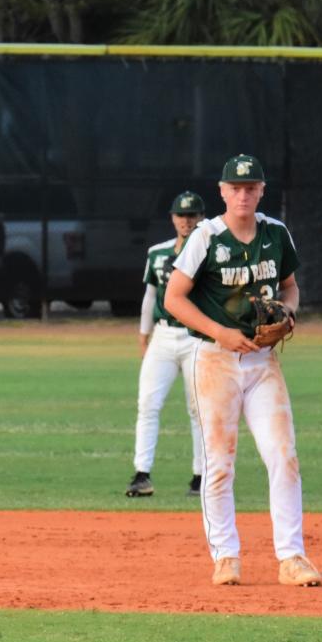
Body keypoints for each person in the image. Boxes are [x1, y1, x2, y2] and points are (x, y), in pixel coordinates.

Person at [163, 154, 321, 588]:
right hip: (214, 359)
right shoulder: (206, 237)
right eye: (236, 187)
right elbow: (174, 298)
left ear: (262, 191)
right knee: (219, 464)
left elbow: (289, 287)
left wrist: (287, 315)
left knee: (283, 457)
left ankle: (291, 557)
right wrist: (221, 332)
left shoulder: (275, 233)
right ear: (222, 191)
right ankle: (226, 557)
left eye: (251, 187)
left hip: (262, 361)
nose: (243, 194)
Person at [124, 191, 206, 499]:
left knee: (199, 409)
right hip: (163, 335)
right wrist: (143, 336)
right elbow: (149, 296)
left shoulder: (210, 252)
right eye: (182, 215)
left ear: (202, 218)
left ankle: (201, 476)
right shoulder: (157, 253)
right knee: (147, 403)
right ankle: (141, 474)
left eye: (193, 215)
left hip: (196, 338)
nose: (187, 220)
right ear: (173, 218)